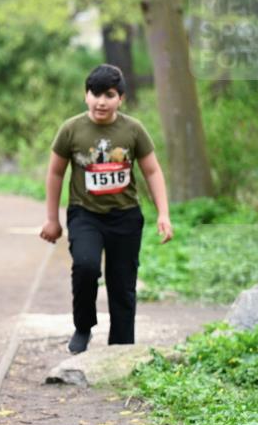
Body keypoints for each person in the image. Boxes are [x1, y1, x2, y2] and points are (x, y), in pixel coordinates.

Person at [40, 64, 173, 354]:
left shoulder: (133, 129)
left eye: (109, 95)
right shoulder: (71, 129)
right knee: (86, 267)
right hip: (84, 214)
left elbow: (152, 171)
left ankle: (122, 344)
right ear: (86, 95)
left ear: (120, 98)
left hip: (125, 216)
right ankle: (83, 327)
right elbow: (55, 173)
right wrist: (52, 219)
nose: (101, 101)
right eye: (95, 94)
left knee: (123, 281)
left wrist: (163, 213)